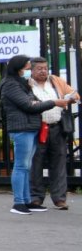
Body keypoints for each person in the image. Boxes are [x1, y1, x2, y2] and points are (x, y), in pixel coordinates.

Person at [0, 54, 73, 215]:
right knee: (21, 166)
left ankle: (27, 201)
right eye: (27, 67)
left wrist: (36, 103)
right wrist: (54, 102)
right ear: (19, 68)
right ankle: (18, 203)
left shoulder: (20, 83)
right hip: (21, 128)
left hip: (31, 127)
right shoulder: (10, 84)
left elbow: (34, 101)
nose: (28, 70)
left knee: (26, 167)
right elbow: (28, 105)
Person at [27, 56, 77, 210]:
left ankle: (60, 199)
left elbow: (74, 93)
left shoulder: (55, 81)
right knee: (36, 164)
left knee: (59, 164)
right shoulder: (26, 85)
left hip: (57, 128)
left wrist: (72, 97)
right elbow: (26, 104)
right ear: (32, 70)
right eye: (39, 69)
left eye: (45, 68)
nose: (43, 71)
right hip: (38, 129)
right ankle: (36, 198)